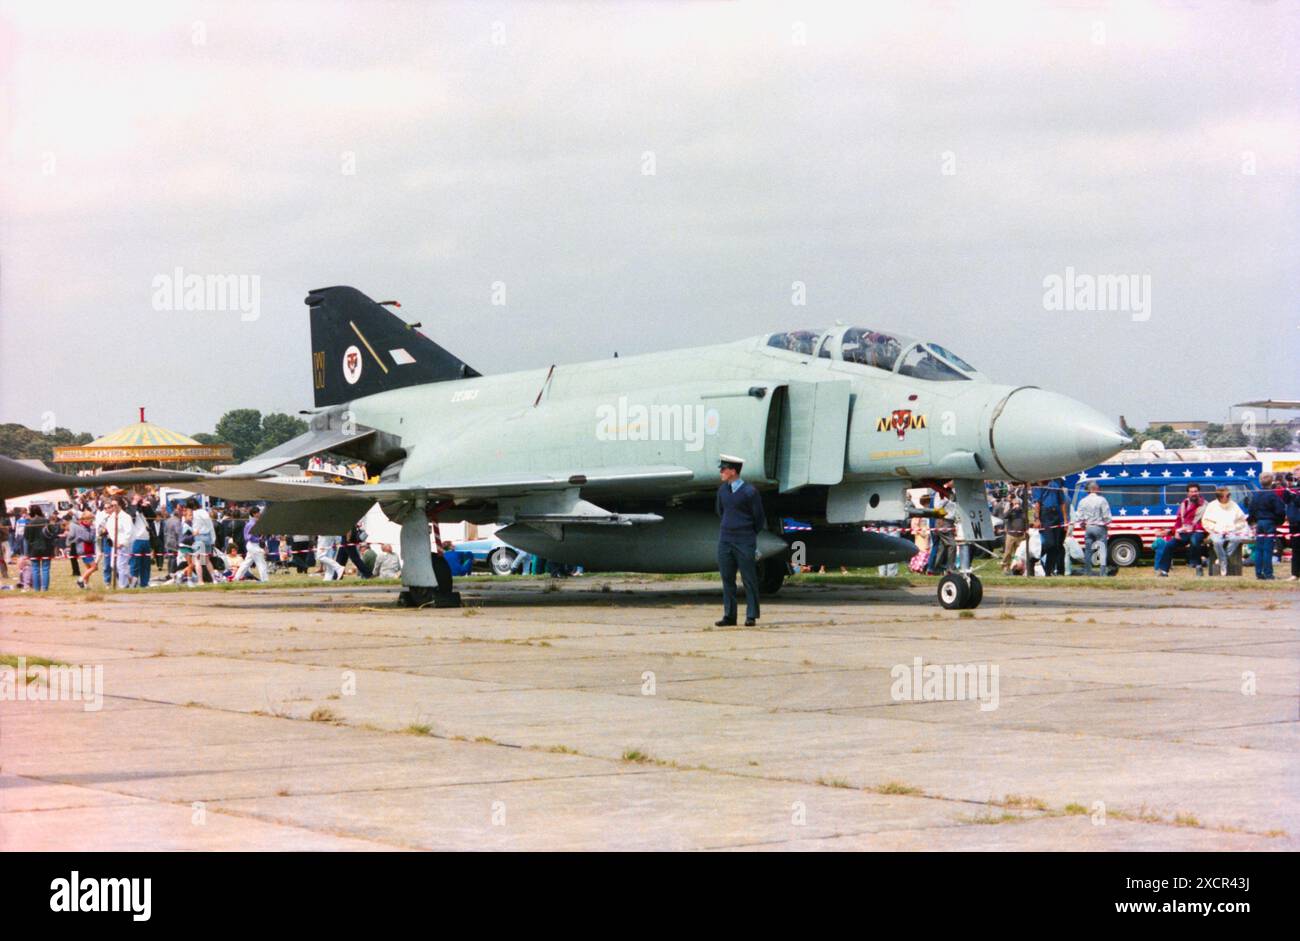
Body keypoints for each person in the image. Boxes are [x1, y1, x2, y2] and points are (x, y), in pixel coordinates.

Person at [714, 454, 765, 627]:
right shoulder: (722, 491)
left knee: (749, 579)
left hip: (744, 540)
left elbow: (758, 518)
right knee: (727, 579)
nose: (721, 471)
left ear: (733, 471)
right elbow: (721, 512)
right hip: (725, 540)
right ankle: (729, 615)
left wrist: (747, 534)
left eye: (724, 469)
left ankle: (751, 615)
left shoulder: (750, 492)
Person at [1154, 483, 1207, 577]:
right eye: (1191, 492)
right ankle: (1164, 571)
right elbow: (1179, 522)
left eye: (1195, 491)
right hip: (1184, 532)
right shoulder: (1184, 504)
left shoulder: (1205, 505)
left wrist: (1193, 527)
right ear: (1188, 493)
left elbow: (1207, 522)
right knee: (1169, 544)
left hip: (1198, 531)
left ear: (1199, 492)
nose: (1194, 493)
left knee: (1194, 540)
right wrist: (1174, 532)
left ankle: (1198, 566)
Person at [1201, 486, 1251, 577]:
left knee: (1236, 539)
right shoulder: (1211, 505)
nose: (1228, 497)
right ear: (1220, 497)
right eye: (1227, 495)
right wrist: (1216, 529)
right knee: (1217, 542)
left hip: (1231, 531)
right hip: (1216, 532)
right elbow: (1205, 522)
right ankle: (1223, 563)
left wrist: (1234, 528)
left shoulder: (1234, 505)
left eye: (1229, 495)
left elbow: (1241, 521)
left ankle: (1222, 559)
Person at [1245, 474, 1286, 581]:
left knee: (1259, 549)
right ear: (1271, 481)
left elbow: (1251, 510)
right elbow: (1280, 511)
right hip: (1269, 522)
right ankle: (1268, 574)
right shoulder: (1273, 496)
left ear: (1260, 481)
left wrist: (1252, 522)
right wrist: (1278, 522)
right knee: (1268, 550)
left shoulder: (1256, 496)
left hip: (1259, 523)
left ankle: (1258, 573)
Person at [1074, 481, 1112, 577]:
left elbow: (1079, 516)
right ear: (1095, 488)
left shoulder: (1082, 501)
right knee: (1102, 550)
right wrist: (1108, 522)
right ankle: (1102, 573)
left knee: (1088, 551)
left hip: (1089, 527)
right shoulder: (1102, 500)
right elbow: (1106, 515)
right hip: (1100, 527)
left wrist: (1082, 524)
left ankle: (1088, 572)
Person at [1033, 479, 1069, 576]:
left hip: (1056, 515)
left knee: (1056, 546)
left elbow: (1062, 503)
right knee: (1049, 543)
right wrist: (1037, 518)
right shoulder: (1038, 485)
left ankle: (1048, 572)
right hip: (1045, 514)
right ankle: (1033, 559)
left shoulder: (1056, 484)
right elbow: (1037, 503)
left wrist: (1065, 521)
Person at [22, 506, 58, 592]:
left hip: (33, 549)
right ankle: (44, 588)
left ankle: (36, 589)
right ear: (40, 511)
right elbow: (54, 533)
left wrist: (26, 553)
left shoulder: (29, 524)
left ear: (31, 512)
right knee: (45, 569)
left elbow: (26, 538)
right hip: (46, 548)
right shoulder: (46, 521)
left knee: (35, 569)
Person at [995, 487, 1028, 574]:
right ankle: (1005, 567)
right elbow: (1004, 516)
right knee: (1008, 553)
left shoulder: (1022, 511)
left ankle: (1018, 568)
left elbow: (1026, 520)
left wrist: (1026, 530)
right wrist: (1012, 508)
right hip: (1011, 534)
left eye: (1018, 503)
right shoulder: (1010, 509)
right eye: (1015, 502)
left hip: (1020, 535)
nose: (1016, 504)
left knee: (1019, 553)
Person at [187, 498, 220, 585]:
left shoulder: (194, 514)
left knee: (197, 560)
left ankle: (200, 580)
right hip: (208, 537)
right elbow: (211, 526)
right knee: (207, 560)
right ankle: (214, 580)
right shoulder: (205, 512)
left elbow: (194, 528)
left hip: (199, 537)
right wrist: (213, 539)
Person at [234, 506, 269, 582]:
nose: (260, 513)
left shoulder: (255, 523)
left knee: (246, 563)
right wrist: (259, 539)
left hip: (254, 545)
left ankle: (236, 578)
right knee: (261, 563)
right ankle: (265, 580)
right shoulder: (251, 524)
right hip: (254, 545)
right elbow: (248, 537)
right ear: (254, 514)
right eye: (258, 512)